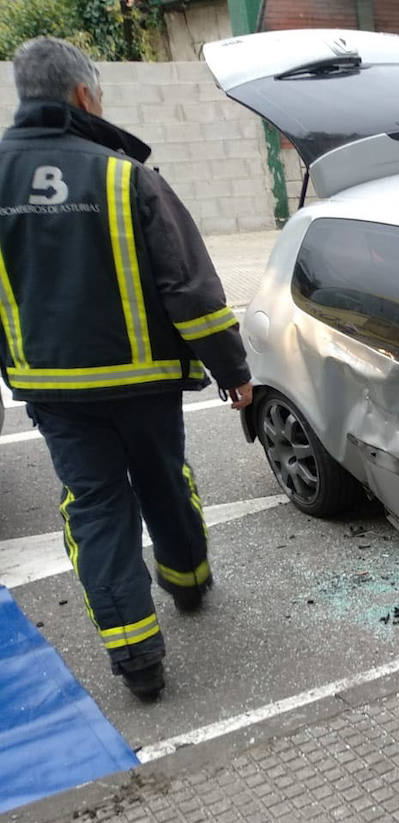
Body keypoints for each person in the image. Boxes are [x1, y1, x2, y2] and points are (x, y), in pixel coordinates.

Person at [0, 38, 253, 700]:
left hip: (53, 392)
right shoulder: (126, 176)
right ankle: (189, 581)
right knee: (164, 480)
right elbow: (191, 292)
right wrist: (231, 370)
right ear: (85, 96)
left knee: (97, 508)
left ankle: (137, 658)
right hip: (143, 383)